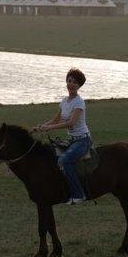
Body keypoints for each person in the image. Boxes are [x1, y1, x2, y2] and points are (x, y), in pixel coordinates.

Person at [33, 68, 91, 205]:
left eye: (75, 82)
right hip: (71, 140)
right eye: (69, 81)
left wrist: (49, 128)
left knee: (65, 160)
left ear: (79, 86)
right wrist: (40, 127)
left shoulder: (79, 102)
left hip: (82, 140)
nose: (71, 84)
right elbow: (55, 120)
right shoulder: (64, 101)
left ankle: (79, 194)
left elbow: (71, 122)